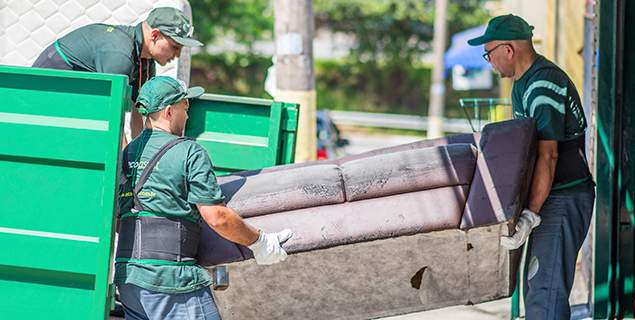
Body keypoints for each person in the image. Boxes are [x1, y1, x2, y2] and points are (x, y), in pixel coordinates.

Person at [114, 76, 293, 319]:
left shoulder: (126, 153)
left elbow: (118, 219)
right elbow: (217, 217)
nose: (187, 116)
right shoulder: (189, 151)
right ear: (169, 111)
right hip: (170, 281)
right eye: (185, 108)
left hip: (129, 281)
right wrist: (260, 243)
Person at [468, 14, 595, 319]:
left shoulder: (543, 84)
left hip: (563, 198)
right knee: (536, 289)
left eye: (489, 54)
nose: (490, 62)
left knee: (544, 293)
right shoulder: (522, 85)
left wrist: (529, 215)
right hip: (548, 198)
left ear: (508, 49)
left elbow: (547, 156)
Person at [32, 7, 202, 140]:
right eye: (175, 47)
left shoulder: (145, 61)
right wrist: (125, 166)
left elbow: (140, 112)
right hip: (38, 101)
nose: (177, 55)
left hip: (70, 104)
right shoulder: (120, 55)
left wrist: (141, 160)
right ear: (155, 35)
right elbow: (111, 120)